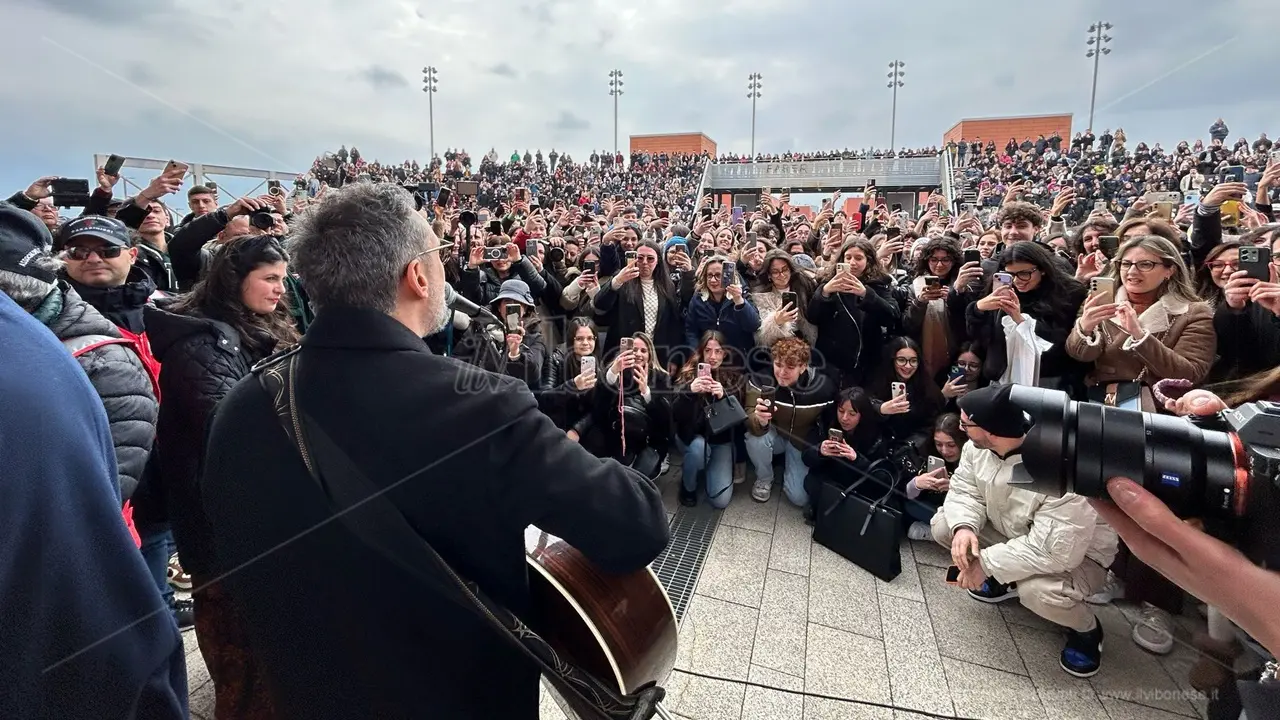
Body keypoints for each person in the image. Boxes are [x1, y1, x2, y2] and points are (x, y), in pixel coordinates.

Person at [198, 183, 669, 719]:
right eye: (439, 257)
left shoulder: (242, 406)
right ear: (417, 276)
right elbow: (638, 527)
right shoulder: (481, 407)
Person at [0, 289, 187, 720]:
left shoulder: (35, 349)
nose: (92, 259)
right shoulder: (32, 341)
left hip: (120, 518)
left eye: (106, 250)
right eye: (80, 251)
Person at [146, 233, 300, 719]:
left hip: (248, 524)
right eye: (270, 278)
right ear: (236, 281)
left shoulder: (249, 331)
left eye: (283, 278)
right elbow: (231, 437)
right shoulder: (204, 347)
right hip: (222, 534)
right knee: (242, 667)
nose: (281, 289)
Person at [929, 384, 1118, 678]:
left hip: (1076, 558)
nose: (962, 428)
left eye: (966, 423)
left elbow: (1055, 551)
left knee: (1038, 592)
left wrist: (987, 564)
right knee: (945, 527)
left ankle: (1087, 631)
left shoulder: (1060, 468)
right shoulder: (977, 448)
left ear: (990, 429)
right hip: (1017, 532)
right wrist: (964, 527)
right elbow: (965, 490)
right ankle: (1004, 582)